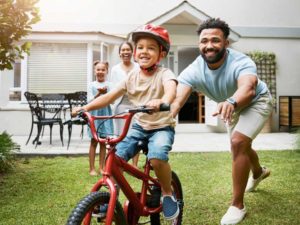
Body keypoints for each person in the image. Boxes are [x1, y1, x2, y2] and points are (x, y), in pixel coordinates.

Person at [171, 18, 273, 225]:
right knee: (241, 146)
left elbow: (248, 87)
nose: (209, 45)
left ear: (226, 43)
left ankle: (237, 205)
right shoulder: (194, 69)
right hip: (231, 106)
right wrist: (168, 114)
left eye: (215, 40)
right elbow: (178, 99)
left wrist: (231, 101)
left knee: (238, 143)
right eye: (204, 41)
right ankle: (258, 172)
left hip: (255, 101)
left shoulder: (241, 61)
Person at [73, 24, 179, 221]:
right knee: (115, 158)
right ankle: (107, 202)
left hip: (161, 127)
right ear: (135, 51)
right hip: (139, 126)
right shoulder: (132, 77)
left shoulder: (164, 74)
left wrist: (163, 101)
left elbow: (171, 89)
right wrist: (85, 108)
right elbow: (110, 97)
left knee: (156, 156)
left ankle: (166, 192)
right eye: (140, 47)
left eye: (151, 47)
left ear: (161, 54)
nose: (144, 51)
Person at [108, 42, 140, 168]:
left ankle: (135, 164)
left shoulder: (138, 66)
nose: (126, 52)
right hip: (120, 105)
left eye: (128, 50)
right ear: (119, 53)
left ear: (132, 52)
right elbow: (113, 88)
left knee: (135, 134)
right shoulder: (115, 69)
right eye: (123, 50)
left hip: (135, 105)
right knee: (121, 135)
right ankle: (121, 162)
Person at [87, 60, 114, 176]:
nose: (100, 72)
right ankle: (92, 168)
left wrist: (106, 94)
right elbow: (89, 101)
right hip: (94, 115)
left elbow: (112, 101)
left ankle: (102, 167)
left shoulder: (110, 85)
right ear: (94, 71)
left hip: (105, 115)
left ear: (106, 71)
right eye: (98, 69)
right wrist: (99, 94)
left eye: (103, 70)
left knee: (103, 142)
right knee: (94, 141)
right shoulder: (91, 85)